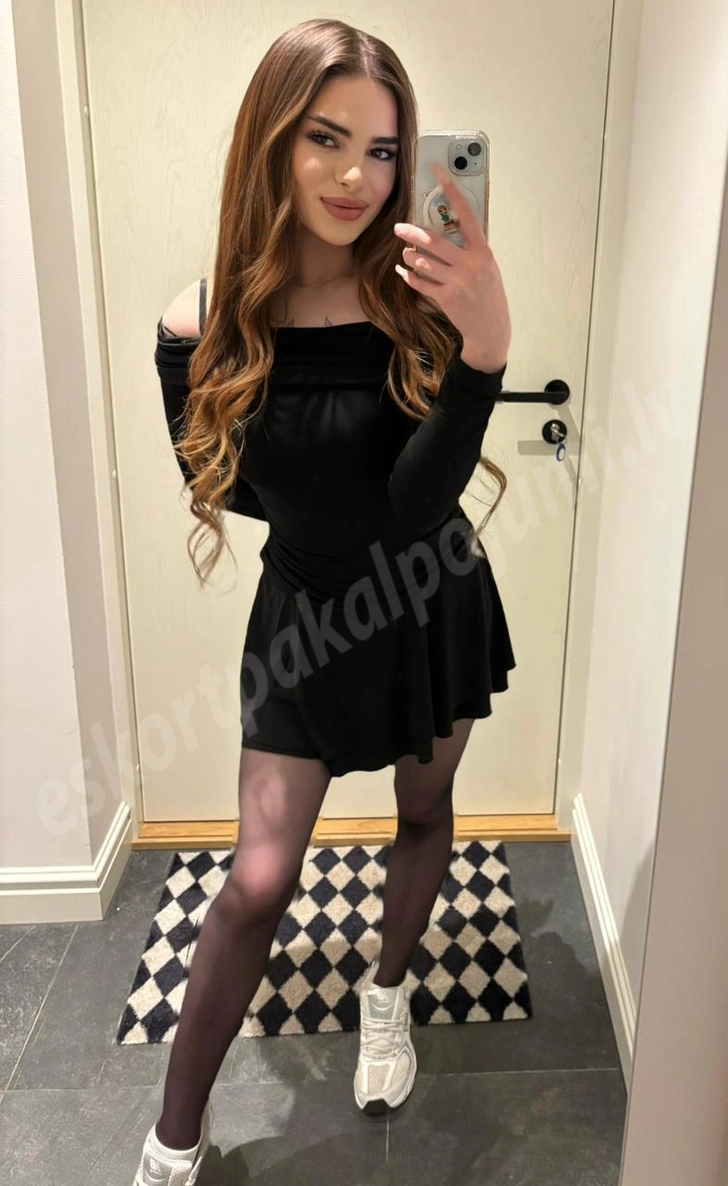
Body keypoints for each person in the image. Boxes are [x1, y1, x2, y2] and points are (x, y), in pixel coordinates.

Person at [136, 16, 515, 1184]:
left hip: (429, 596)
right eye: (325, 139)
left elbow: (413, 504)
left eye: (384, 149)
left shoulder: (421, 298)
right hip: (305, 613)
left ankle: (385, 994)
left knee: (420, 809)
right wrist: (318, 513)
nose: (357, 176)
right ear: (272, 141)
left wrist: (484, 352)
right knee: (256, 881)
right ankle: (170, 1140)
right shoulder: (202, 321)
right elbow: (226, 485)